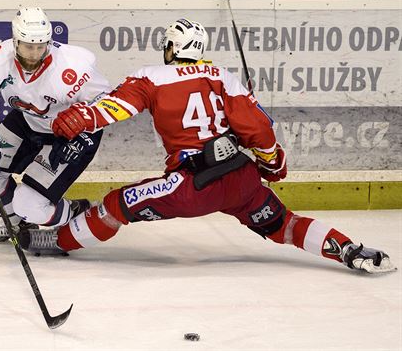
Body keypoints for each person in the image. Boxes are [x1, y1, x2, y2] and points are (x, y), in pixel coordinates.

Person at [22, 18, 395, 274]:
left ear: (173, 46)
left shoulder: (152, 76)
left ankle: (56, 240)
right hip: (242, 181)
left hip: (190, 187)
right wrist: (273, 164)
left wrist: (80, 118)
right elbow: (258, 130)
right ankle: (349, 250)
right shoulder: (222, 75)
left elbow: (114, 107)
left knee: (117, 204)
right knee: (285, 224)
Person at [0, 7, 111, 241]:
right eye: (28, 46)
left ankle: (76, 214)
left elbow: (107, 102)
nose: (34, 54)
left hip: (71, 134)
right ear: (15, 41)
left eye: (41, 47)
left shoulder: (74, 65)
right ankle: (17, 226)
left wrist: (82, 135)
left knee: (30, 204)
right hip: (26, 121)